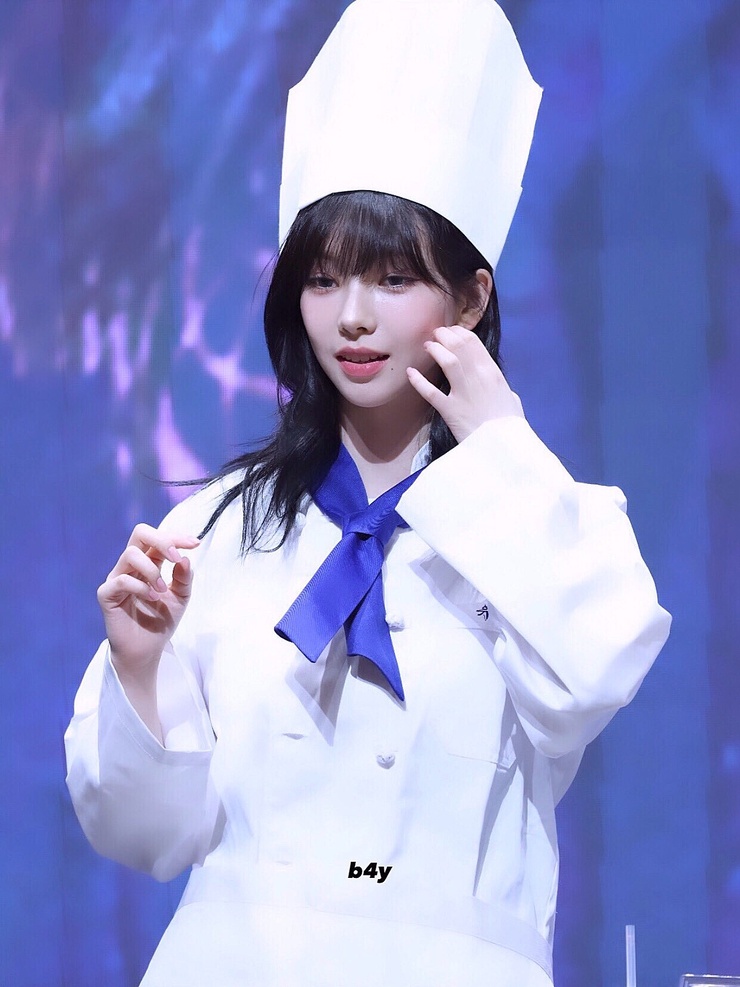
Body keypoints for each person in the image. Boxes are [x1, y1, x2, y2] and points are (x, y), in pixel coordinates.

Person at [65, 3, 671, 985]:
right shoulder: (215, 533)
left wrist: (498, 446)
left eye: (392, 278)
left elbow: (597, 675)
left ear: (470, 297)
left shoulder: (548, 524)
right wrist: (138, 672)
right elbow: (147, 836)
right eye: (323, 279)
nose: (351, 317)